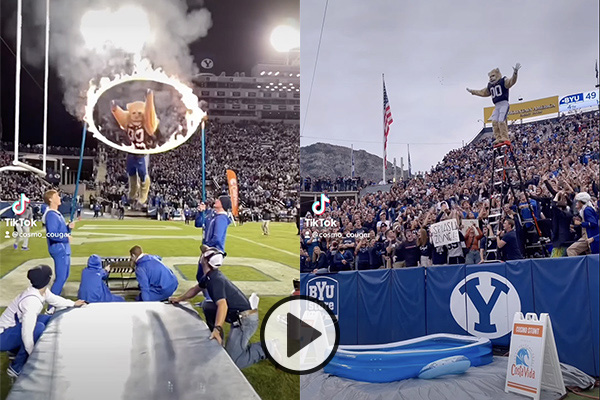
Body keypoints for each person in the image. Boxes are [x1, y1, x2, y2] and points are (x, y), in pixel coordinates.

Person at [170, 246, 269, 369]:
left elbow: (223, 305)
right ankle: (217, 341)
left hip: (245, 320)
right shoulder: (210, 275)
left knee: (235, 362)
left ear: (205, 261)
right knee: (207, 305)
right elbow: (195, 289)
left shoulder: (215, 280)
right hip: (238, 314)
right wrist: (179, 299)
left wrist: (217, 328)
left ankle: (266, 348)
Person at [0, 265, 85, 377]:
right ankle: (16, 367)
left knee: (47, 319)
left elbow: (55, 300)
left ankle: (16, 350)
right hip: (3, 337)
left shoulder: (40, 291)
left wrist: (73, 303)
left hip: (11, 329)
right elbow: (27, 334)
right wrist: (33, 357)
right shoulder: (32, 302)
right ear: (47, 280)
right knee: (38, 328)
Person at [467, 63, 521, 145]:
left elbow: (511, 81)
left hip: (504, 103)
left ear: (497, 75)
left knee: (501, 120)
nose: (491, 78)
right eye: (490, 77)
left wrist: (515, 73)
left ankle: (505, 137)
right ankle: (498, 137)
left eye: (493, 76)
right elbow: (482, 92)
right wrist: (473, 91)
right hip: (496, 105)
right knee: (494, 122)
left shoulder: (503, 81)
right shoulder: (490, 86)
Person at [42, 190, 74, 300]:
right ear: (50, 199)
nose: (59, 197)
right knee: (60, 278)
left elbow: (61, 231)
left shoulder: (56, 214)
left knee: (64, 276)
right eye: (57, 196)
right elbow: (52, 234)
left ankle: (54, 301)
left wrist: (68, 228)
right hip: (59, 249)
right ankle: (51, 304)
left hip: (63, 248)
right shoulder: (51, 215)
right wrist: (66, 237)